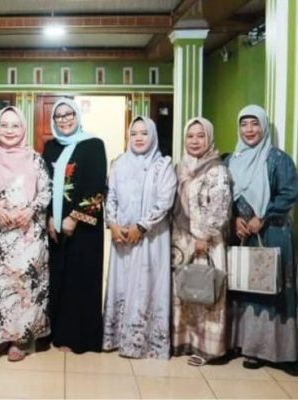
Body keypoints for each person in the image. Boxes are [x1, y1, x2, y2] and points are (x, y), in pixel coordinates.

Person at [0, 106, 51, 362]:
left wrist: (30, 210)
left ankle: (20, 340)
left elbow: (45, 193)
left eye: (15, 125)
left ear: (23, 129)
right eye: (4, 125)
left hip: (28, 235)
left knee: (24, 287)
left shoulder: (35, 159)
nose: (9, 130)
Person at [227, 105, 298, 374]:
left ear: (264, 127)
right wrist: (234, 218)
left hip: (272, 233)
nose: (249, 130)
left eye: (254, 124)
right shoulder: (231, 160)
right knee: (243, 286)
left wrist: (264, 217)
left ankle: (274, 350)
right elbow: (226, 194)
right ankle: (245, 345)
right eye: (244, 124)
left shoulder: (278, 159)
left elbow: (289, 192)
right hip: (242, 233)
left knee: (271, 287)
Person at [102, 116, 177, 359]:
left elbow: (165, 201)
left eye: (144, 133)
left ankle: (142, 343)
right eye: (134, 133)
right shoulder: (119, 164)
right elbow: (111, 196)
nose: (139, 138)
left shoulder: (163, 166)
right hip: (122, 238)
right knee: (122, 284)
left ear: (152, 136)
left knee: (146, 285)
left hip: (151, 239)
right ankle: (116, 338)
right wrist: (113, 224)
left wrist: (141, 227)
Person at [42, 97, 106, 353]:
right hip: (55, 226)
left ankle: (80, 338)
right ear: (53, 120)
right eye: (59, 116)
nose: (65, 119)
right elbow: (45, 185)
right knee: (58, 278)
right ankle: (58, 333)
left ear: (77, 116)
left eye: (69, 114)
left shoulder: (93, 145)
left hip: (84, 228)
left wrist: (74, 218)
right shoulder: (50, 147)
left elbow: (96, 187)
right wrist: (49, 216)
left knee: (80, 280)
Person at [170, 117, 232, 365]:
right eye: (190, 136)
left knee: (207, 292)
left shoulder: (217, 170)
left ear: (209, 138)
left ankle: (207, 349)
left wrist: (204, 236)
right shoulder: (180, 167)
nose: (195, 141)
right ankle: (184, 341)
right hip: (181, 240)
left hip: (207, 242)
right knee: (184, 292)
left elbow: (220, 207)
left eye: (200, 136)